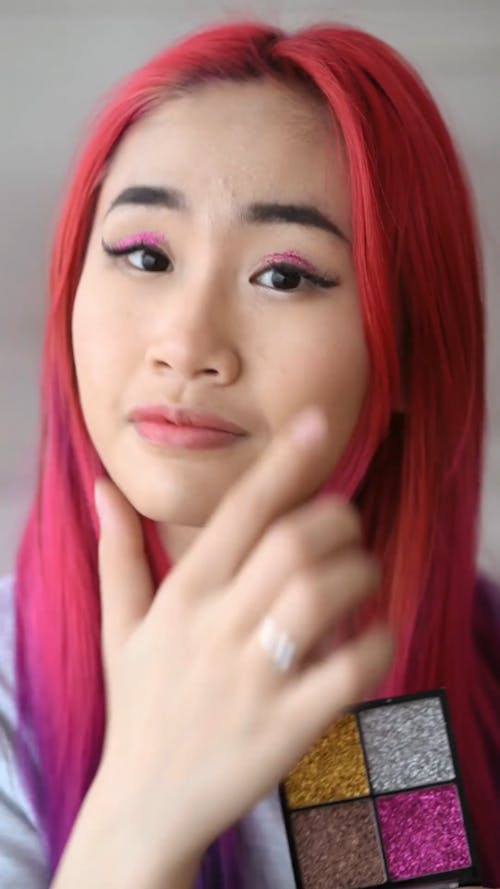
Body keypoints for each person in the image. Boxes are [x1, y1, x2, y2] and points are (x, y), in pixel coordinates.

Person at [0, 18, 498, 889]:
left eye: (283, 274)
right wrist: (141, 812)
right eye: (145, 254)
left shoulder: (412, 684)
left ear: (410, 349)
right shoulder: (11, 686)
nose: (188, 343)